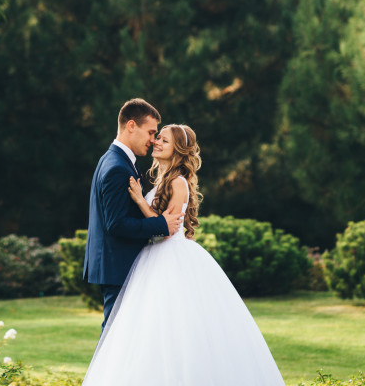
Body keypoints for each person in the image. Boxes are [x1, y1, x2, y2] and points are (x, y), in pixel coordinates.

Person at [82, 124, 287, 386]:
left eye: (164, 141)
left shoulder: (178, 183)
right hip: (151, 257)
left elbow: (167, 229)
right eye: (157, 138)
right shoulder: (159, 179)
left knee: (173, 324)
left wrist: (140, 201)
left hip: (170, 257)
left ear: (177, 150)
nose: (156, 142)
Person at [83, 98, 184, 330]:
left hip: (117, 264)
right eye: (150, 132)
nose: (153, 140)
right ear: (131, 126)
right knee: (115, 337)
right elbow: (116, 224)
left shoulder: (115, 160)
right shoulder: (117, 167)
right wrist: (161, 224)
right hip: (118, 266)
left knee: (121, 338)